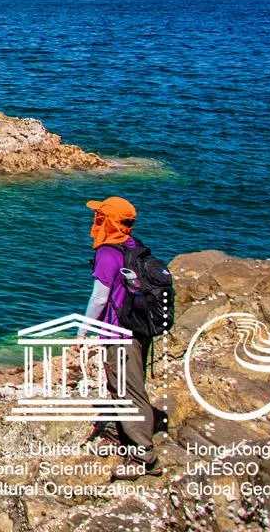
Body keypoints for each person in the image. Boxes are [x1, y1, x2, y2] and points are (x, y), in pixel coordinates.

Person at [84, 195, 157, 476]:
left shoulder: (106, 253)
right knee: (121, 386)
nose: (95, 220)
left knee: (130, 392)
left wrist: (82, 331)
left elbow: (99, 299)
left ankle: (144, 458)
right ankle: (119, 436)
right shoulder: (134, 247)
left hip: (119, 333)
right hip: (139, 328)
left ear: (107, 221)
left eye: (99, 216)